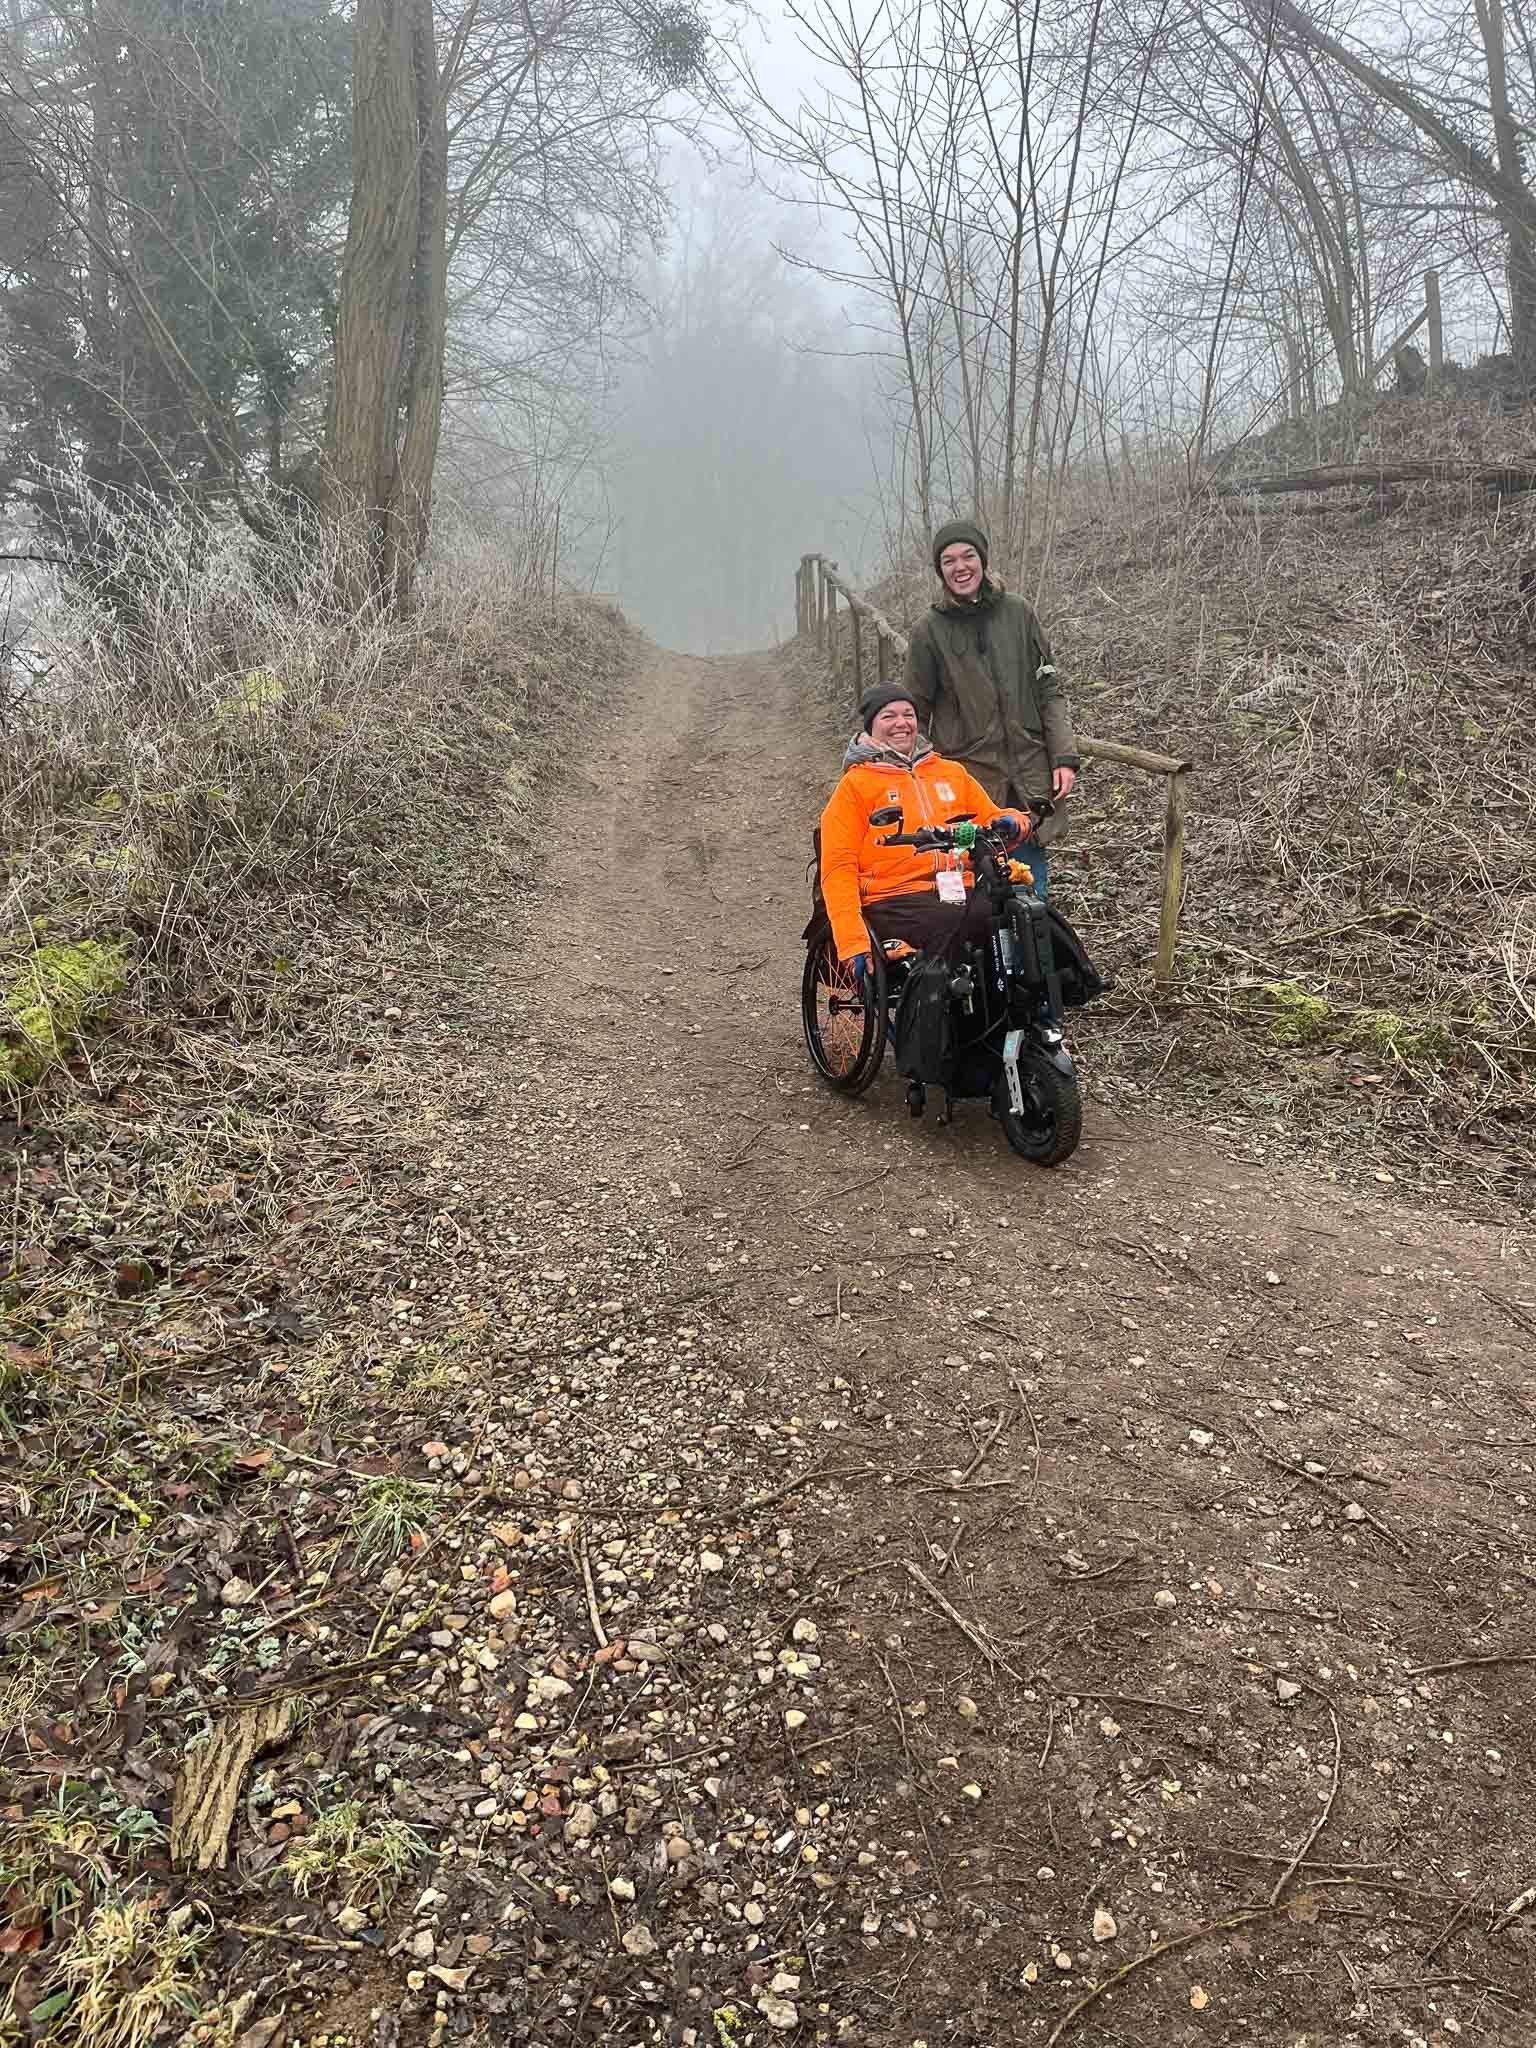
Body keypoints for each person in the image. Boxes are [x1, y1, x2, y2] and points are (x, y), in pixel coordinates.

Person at [903, 519, 1079, 899]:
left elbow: (1049, 688)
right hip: (968, 778)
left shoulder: (1020, 614)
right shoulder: (929, 630)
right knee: (975, 893)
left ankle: (1033, 958)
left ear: (983, 561)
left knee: (1032, 892)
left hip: (1028, 775)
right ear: (940, 571)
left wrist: (1063, 756)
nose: (960, 566)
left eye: (968, 556)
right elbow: (914, 711)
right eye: (948, 560)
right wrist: (928, 774)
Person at [819, 682, 1029, 981]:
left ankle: (1044, 1001)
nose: (901, 723)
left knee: (1021, 912)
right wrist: (852, 941)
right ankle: (942, 1022)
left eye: (908, 714)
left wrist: (1011, 820)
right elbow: (838, 867)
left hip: (959, 888)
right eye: (888, 716)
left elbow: (991, 814)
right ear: (870, 727)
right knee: (949, 923)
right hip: (892, 898)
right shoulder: (855, 786)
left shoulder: (950, 772)